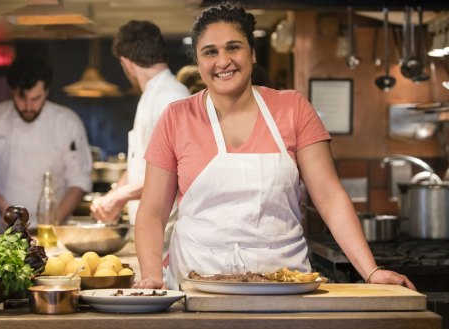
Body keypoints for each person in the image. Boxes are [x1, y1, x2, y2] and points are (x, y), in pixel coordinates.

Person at [133, 2, 415, 291]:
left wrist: (371, 271)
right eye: (210, 52)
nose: (223, 61)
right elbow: (153, 212)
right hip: (196, 287)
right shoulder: (176, 118)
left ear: (253, 53)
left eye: (234, 47)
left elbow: (329, 197)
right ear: (198, 60)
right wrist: (152, 276)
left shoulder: (293, 108)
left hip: (284, 287)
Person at [0, 54, 92, 234]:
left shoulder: (67, 122)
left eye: (36, 99)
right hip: (5, 231)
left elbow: (80, 179)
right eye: (21, 98)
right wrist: (5, 210)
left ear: (47, 91)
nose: (28, 106)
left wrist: (52, 221)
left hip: (55, 231)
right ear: (11, 90)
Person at [90, 20, 190, 239]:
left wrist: (120, 197)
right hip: (150, 230)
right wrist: (114, 196)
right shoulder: (152, 96)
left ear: (126, 63)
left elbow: (175, 172)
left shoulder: (170, 97)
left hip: (167, 234)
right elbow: (141, 165)